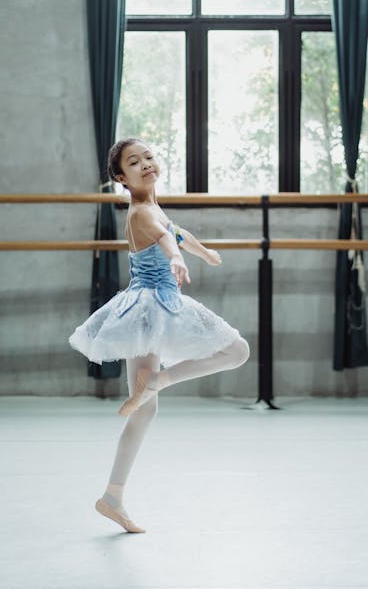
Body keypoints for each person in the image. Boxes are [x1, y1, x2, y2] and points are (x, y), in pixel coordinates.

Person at [68, 137, 250, 533]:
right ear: (122, 177)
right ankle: (162, 380)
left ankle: (112, 497)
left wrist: (202, 253)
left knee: (145, 408)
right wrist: (179, 258)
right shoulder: (140, 213)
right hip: (155, 305)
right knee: (237, 350)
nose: (146, 163)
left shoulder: (150, 206)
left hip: (141, 310)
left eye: (149, 156)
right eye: (135, 162)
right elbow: (168, 239)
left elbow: (176, 231)